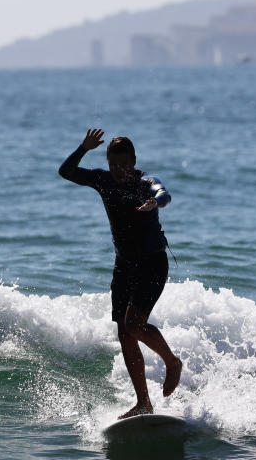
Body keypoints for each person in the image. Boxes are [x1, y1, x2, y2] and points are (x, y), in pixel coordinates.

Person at [59, 128, 182, 419]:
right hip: (124, 266)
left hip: (152, 262)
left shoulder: (145, 183)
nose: (119, 171)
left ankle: (172, 362)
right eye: (114, 165)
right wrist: (83, 148)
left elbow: (164, 193)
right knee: (124, 333)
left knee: (134, 324)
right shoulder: (103, 180)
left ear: (135, 161)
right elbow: (66, 171)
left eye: (125, 165)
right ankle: (143, 402)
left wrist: (156, 201)